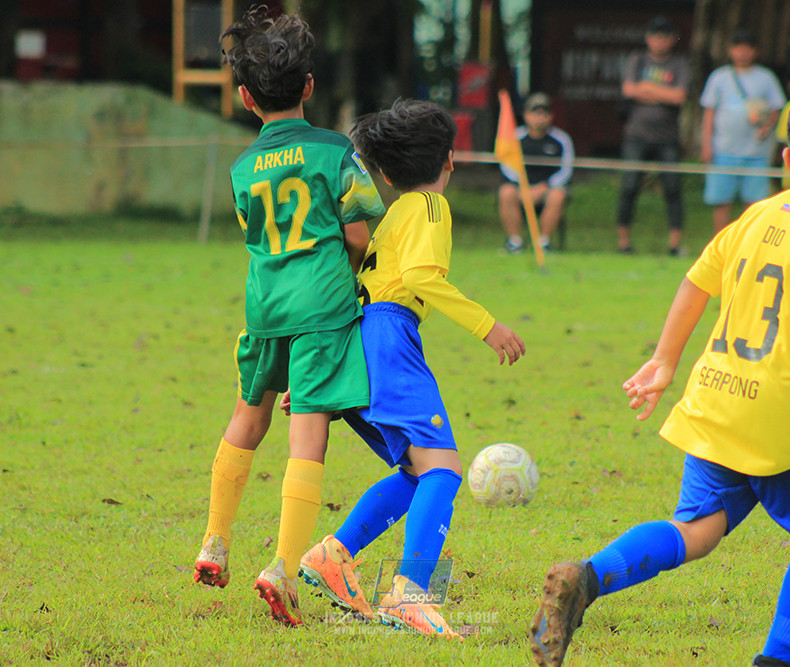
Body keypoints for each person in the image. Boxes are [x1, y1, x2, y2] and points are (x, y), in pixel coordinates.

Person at [529, 82, 790, 667]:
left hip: (717, 396)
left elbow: (695, 282)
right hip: (784, 416)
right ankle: (775, 660)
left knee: (699, 531)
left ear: (787, 158)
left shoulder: (756, 215)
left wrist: (664, 360)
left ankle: (588, 576)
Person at [290, 99, 526, 637]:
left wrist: (319, 376)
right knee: (442, 468)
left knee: (417, 471)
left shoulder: (393, 213)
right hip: (392, 337)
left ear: (388, 174)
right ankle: (411, 594)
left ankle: (335, 555)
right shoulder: (430, 208)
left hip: (360, 337)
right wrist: (488, 326)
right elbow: (421, 277)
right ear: (449, 160)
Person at [191, 7, 386, 629]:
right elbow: (358, 235)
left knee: (248, 416)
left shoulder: (242, 167)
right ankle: (280, 565)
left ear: (246, 98)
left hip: (265, 305)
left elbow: (258, 233)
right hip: (322, 306)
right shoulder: (335, 151)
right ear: (309, 86)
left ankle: (214, 541)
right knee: (309, 432)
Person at [615, 16, 690, 256]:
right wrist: (661, 94)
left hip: (667, 137)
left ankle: (674, 244)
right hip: (636, 135)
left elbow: (678, 97)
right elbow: (628, 90)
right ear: (648, 38)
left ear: (671, 40)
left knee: (672, 188)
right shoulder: (636, 60)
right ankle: (623, 243)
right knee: (629, 187)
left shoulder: (679, 65)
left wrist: (646, 88)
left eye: (664, 36)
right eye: (655, 36)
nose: (659, 41)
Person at [700, 29, 786, 234]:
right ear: (731, 50)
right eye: (738, 47)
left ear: (755, 51)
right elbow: (709, 113)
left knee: (754, 205)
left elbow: (777, 108)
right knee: (721, 201)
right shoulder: (719, 77)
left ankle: (748, 246)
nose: (742, 53)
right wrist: (706, 145)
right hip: (723, 150)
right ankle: (720, 247)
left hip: (756, 152)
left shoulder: (766, 78)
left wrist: (765, 127)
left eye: (747, 48)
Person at [498, 92, 574, 253]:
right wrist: (523, 187)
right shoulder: (515, 138)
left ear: (551, 116)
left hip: (548, 189)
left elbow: (566, 170)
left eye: (544, 113)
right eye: (535, 113)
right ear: (526, 115)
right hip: (520, 188)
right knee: (506, 192)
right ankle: (514, 242)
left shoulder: (562, 139)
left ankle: (543, 243)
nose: (540, 118)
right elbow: (506, 165)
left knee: (558, 195)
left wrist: (544, 187)